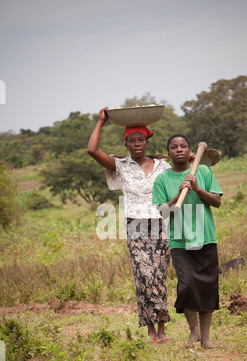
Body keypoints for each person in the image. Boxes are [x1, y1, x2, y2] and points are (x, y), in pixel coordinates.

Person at [87, 107, 171, 343]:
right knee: (143, 276)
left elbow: (183, 165)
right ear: (125, 144)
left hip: (161, 227)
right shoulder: (121, 166)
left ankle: (162, 328)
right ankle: (150, 329)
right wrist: (101, 121)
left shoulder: (162, 167)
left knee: (159, 277)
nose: (136, 144)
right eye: (131, 140)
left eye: (140, 139)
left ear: (146, 141)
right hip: (135, 228)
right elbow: (91, 150)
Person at [152, 134, 223, 348]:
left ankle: (206, 338)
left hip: (205, 237)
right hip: (179, 241)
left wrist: (197, 188)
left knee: (207, 287)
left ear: (190, 151)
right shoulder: (162, 179)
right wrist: (178, 194)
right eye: (174, 147)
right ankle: (194, 331)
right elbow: (164, 212)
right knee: (187, 285)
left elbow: (217, 201)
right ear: (169, 153)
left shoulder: (202, 171)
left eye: (183, 146)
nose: (179, 149)